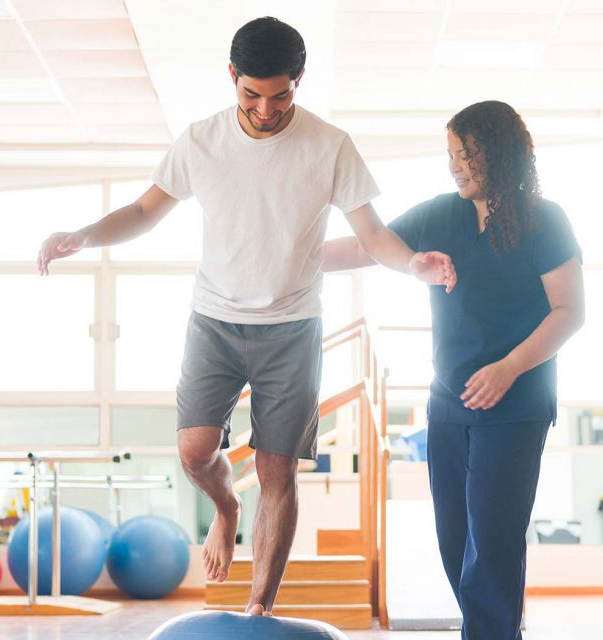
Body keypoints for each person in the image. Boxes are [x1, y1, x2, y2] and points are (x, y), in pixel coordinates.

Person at [36, 17, 455, 616]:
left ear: (299, 82)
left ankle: (261, 607)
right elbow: (143, 210)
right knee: (194, 452)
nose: (265, 109)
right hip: (215, 320)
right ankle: (227, 508)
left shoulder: (330, 146)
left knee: (278, 466)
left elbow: (373, 233)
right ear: (232, 77)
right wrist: (84, 234)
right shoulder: (201, 141)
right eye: (252, 94)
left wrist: (412, 264)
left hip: (293, 326)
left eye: (280, 95)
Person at [322, 100, 584, 638]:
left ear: (500, 153)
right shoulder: (441, 214)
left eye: (465, 153)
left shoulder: (544, 219)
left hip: (515, 406)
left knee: (493, 542)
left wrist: (509, 368)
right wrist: (282, 252)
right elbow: (366, 247)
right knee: (455, 542)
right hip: (448, 406)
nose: (454, 165)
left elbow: (570, 311)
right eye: (450, 154)